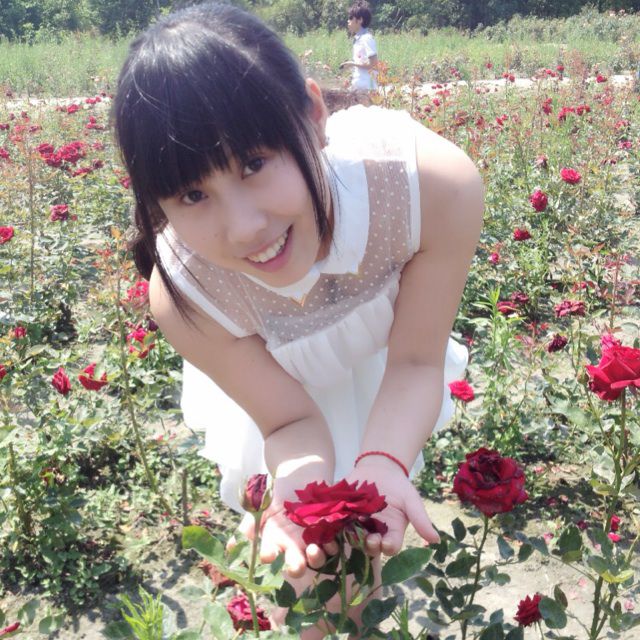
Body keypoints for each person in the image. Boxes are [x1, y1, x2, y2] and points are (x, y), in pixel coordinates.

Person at [114, 2, 483, 636]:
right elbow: (287, 420)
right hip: (282, 400)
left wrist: (383, 462)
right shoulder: (187, 294)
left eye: (254, 163)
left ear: (313, 115)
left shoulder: (425, 187)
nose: (244, 228)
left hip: (390, 373)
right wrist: (300, 497)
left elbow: (414, 361)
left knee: (368, 547)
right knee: (306, 585)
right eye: (193, 195)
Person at [340, 1, 378, 92]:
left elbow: (373, 64)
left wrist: (352, 64)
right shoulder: (358, 39)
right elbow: (362, 64)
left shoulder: (367, 38)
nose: (348, 21)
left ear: (360, 20)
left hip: (367, 88)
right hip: (359, 87)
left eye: (350, 18)